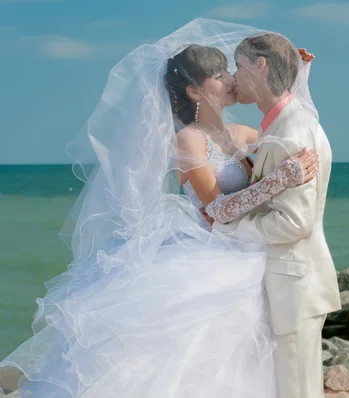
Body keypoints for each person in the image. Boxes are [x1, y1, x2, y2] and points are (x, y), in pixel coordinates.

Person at [0, 19, 320, 398]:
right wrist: (277, 180)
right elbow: (217, 207)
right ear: (194, 90)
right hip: (213, 246)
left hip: (249, 245)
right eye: (219, 74)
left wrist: (296, 77)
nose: (232, 78)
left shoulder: (244, 133)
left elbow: (288, 125)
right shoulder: (188, 139)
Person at [208, 32, 342, 398]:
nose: (234, 77)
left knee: (296, 389)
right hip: (291, 282)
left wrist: (232, 228)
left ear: (260, 66)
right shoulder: (291, 119)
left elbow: (293, 223)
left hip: (294, 284)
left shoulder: (291, 131)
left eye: (239, 65)